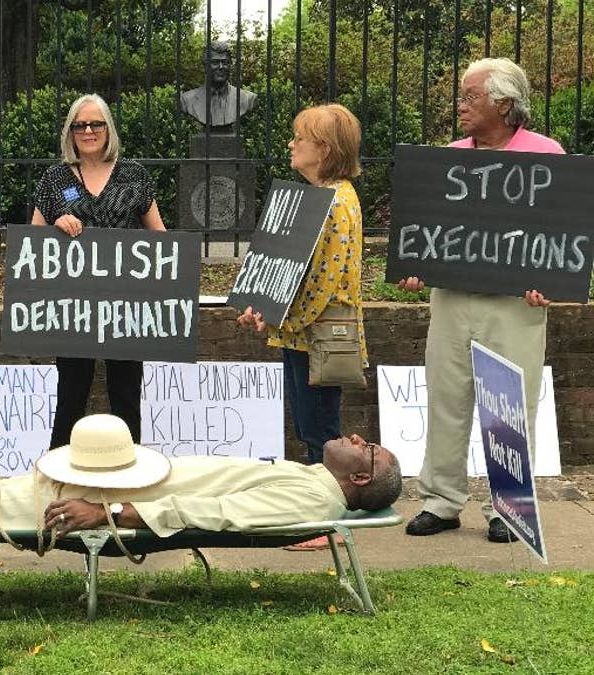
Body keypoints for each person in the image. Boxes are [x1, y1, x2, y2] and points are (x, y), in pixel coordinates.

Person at [0, 413, 402, 539]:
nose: (353, 437)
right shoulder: (309, 475)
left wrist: (112, 517)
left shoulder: (310, 492)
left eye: (363, 444)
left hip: (111, 501)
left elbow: (218, 515)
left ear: (362, 475)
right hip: (115, 481)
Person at [397, 58, 562, 544]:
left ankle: (507, 507)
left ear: (504, 103)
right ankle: (441, 501)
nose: (460, 105)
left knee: (508, 402)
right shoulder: (448, 158)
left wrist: (548, 279)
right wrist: (415, 266)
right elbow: (428, 234)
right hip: (451, 298)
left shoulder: (547, 155)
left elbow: (561, 236)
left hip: (515, 305)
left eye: (470, 97)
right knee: (447, 396)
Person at [236, 104, 367, 550]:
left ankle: (323, 522)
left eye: (300, 138)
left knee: (320, 432)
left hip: (320, 339)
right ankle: (318, 515)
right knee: (311, 426)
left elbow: (324, 285)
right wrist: (262, 301)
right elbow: (290, 268)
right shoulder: (319, 197)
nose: (291, 144)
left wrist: (273, 312)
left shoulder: (334, 204)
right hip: (303, 335)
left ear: (324, 149)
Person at [31, 93, 166, 449]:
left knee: (126, 397)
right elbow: (33, 243)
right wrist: (56, 223)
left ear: (109, 129)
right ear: (70, 132)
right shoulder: (54, 179)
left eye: (96, 124)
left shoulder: (133, 174)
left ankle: (128, 480)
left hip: (126, 307)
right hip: (73, 308)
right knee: (70, 396)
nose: (88, 131)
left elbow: (161, 238)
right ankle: (59, 480)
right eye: (80, 125)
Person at [179, 41, 258, 129]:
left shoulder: (247, 99)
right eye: (215, 62)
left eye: (225, 62)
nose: (221, 67)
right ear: (205, 67)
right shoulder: (187, 100)